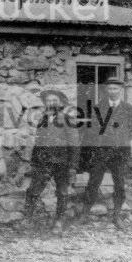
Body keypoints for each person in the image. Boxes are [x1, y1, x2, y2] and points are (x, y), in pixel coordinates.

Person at [80, 77, 132, 230]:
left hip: (119, 153)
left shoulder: (128, 108)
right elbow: (92, 130)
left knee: (120, 184)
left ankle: (116, 216)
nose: (113, 91)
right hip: (101, 151)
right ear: (106, 90)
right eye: (110, 88)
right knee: (93, 182)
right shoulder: (98, 107)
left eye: (115, 88)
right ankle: (85, 214)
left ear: (120, 90)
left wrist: (120, 142)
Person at [23, 90, 79, 234]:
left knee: (62, 192)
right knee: (33, 191)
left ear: (60, 103)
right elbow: (38, 142)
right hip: (43, 162)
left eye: (55, 100)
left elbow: (74, 144)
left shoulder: (67, 119)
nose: (51, 103)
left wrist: (73, 166)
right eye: (48, 101)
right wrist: (33, 162)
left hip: (62, 163)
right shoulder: (42, 119)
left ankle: (59, 221)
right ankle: (27, 219)